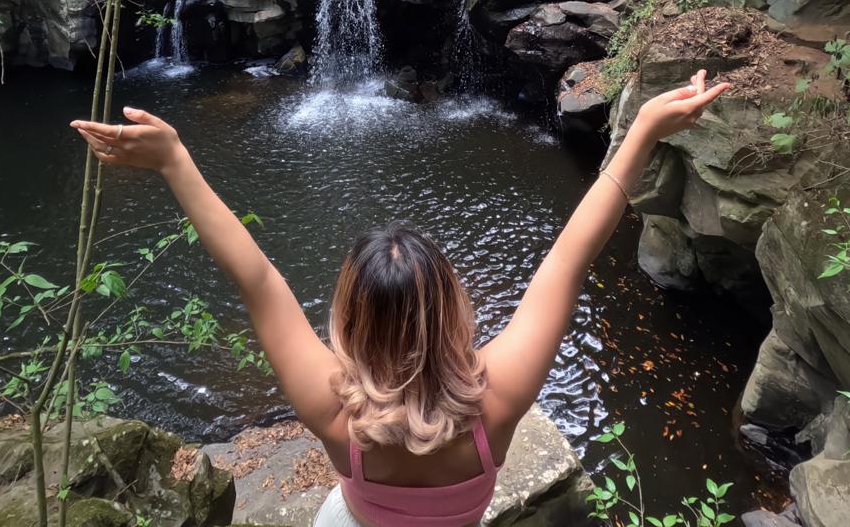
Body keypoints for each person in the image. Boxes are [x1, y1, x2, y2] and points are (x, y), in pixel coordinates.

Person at [70, 69, 729, 527]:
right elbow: (569, 255)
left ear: (350, 324)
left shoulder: (335, 409)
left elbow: (258, 279)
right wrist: (642, 130)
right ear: (452, 309)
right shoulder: (496, 399)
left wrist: (175, 161)